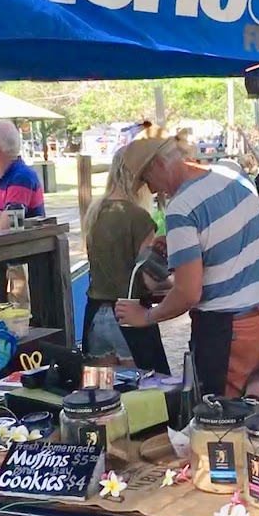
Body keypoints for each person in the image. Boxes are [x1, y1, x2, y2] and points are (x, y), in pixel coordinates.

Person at [114, 136, 259, 397]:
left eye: (147, 180)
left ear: (158, 164)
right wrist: (183, 245)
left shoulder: (181, 207)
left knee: (224, 421)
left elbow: (188, 293)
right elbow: (231, 233)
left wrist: (145, 317)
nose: (154, 191)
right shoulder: (232, 172)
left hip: (228, 331)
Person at [81, 130, 170, 374]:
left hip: (95, 316)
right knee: (143, 400)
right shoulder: (137, 217)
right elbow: (149, 281)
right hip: (128, 317)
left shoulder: (95, 212)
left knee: (102, 402)